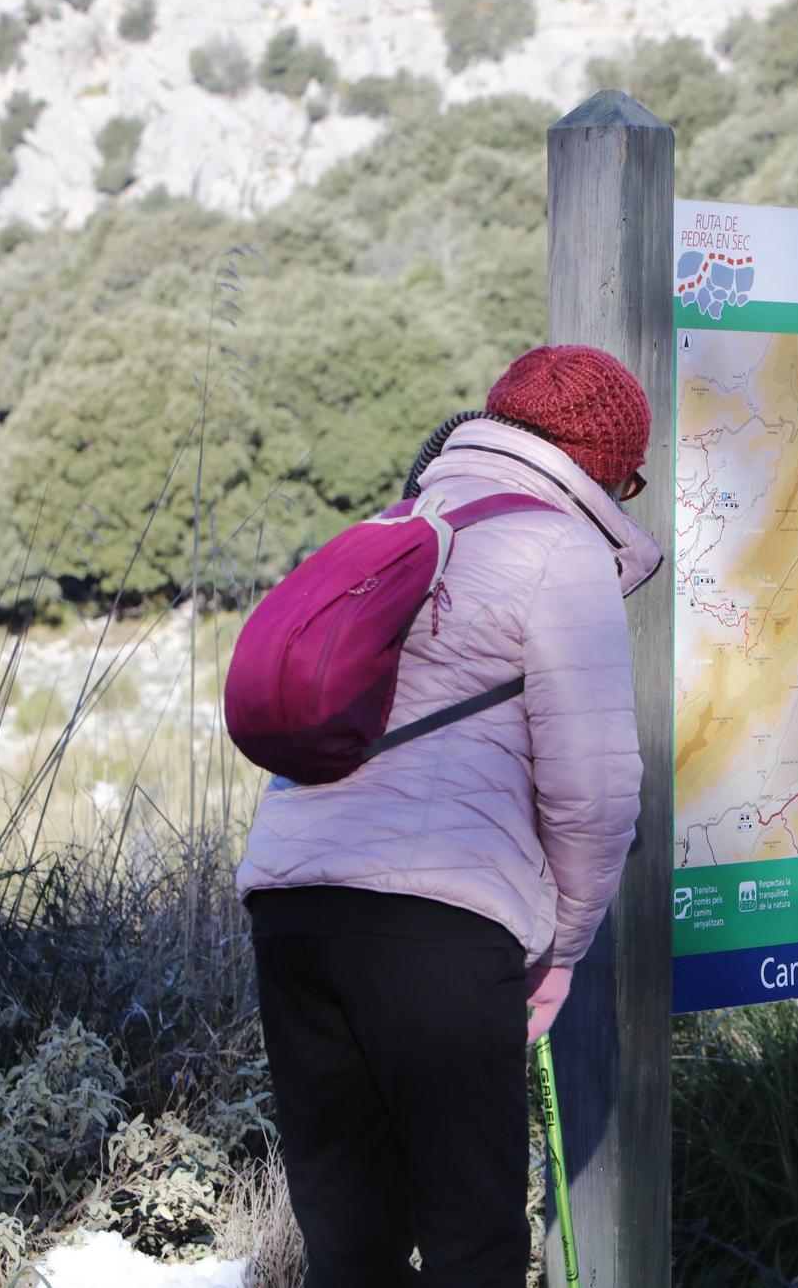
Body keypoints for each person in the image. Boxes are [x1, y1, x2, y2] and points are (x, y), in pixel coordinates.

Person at [237, 345, 661, 1287]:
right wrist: (562, 946)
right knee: (474, 1238)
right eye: (631, 475)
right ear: (602, 464)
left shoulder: (396, 522)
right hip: (437, 920)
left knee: (351, 1241)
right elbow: (594, 789)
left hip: (291, 904)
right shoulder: (560, 547)